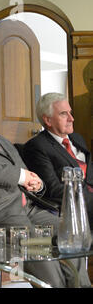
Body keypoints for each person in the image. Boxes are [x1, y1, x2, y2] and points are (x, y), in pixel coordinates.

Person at [0, 82, 91, 287]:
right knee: (38, 248)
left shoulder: (2, 140)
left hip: (27, 208)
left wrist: (36, 184)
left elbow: (25, 173)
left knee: (71, 232)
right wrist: (21, 176)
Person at [23, 92, 92, 225]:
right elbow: (53, 188)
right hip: (76, 205)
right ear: (48, 120)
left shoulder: (77, 138)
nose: (71, 118)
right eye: (63, 114)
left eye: (70, 112)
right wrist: (88, 198)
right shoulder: (36, 146)